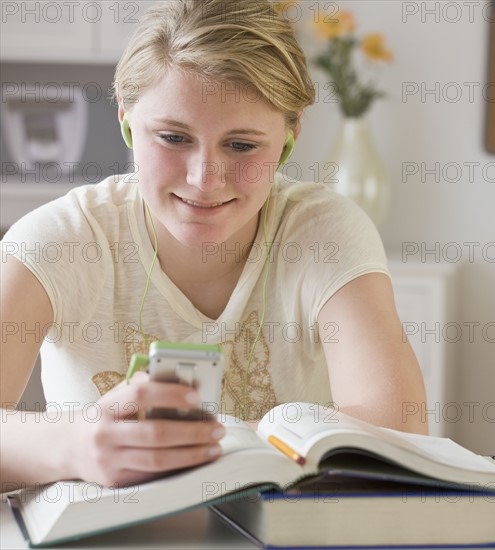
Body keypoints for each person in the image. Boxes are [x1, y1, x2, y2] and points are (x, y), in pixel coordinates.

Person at [0, 0, 427, 490]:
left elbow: (401, 430)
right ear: (126, 123)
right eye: (173, 137)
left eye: (241, 145)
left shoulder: (323, 233)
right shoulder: (61, 239)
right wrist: (73, 445)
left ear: (289, 138)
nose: (205, 179)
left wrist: (205, 439)